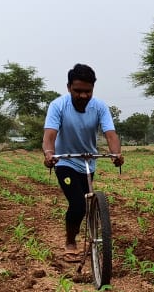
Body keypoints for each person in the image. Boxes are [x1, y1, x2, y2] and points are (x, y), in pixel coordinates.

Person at [42, 63, 124, 262]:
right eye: (78, 91)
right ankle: (71, 242)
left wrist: (116, 154)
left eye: (88, 91)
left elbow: (111, 135)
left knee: (87, 203)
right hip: (64, 162)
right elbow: (49, 135)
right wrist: (49, 154)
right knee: (78, 205)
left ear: (93, 89)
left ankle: (93, 237)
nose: (83, 96)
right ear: (69, 87)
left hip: (88, 163)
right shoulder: (58, 106)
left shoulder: (100, 107)